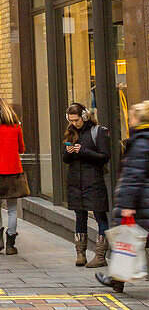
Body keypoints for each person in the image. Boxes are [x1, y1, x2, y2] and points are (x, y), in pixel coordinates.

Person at [98, 100, 149, 292]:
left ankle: (117, 278)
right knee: (128, 240)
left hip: (140, 203)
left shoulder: (141, 142)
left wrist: (127, 205)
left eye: (132, 116)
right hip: (143, 202)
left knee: (126, 240)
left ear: (138, 119)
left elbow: (133, 176)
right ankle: (117, 278)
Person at [62, 102, 111, 268]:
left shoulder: (99, 132)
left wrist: (82, 151)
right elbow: (65, 159)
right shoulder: (71, 133)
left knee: (100, 217)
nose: (74, 123)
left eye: (76, 120)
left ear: (84, 116)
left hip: (94, 181)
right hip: (76, 182)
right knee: (80, 217)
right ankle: (80, 253)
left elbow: (104, 156)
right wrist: (68, 153)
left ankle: (100, 255)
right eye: (71, 120)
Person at [0, 97, 29, 256]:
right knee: (13, 208)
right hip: (13, 171)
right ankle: (11, 243)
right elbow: (21, 149)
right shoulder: (16, 127)